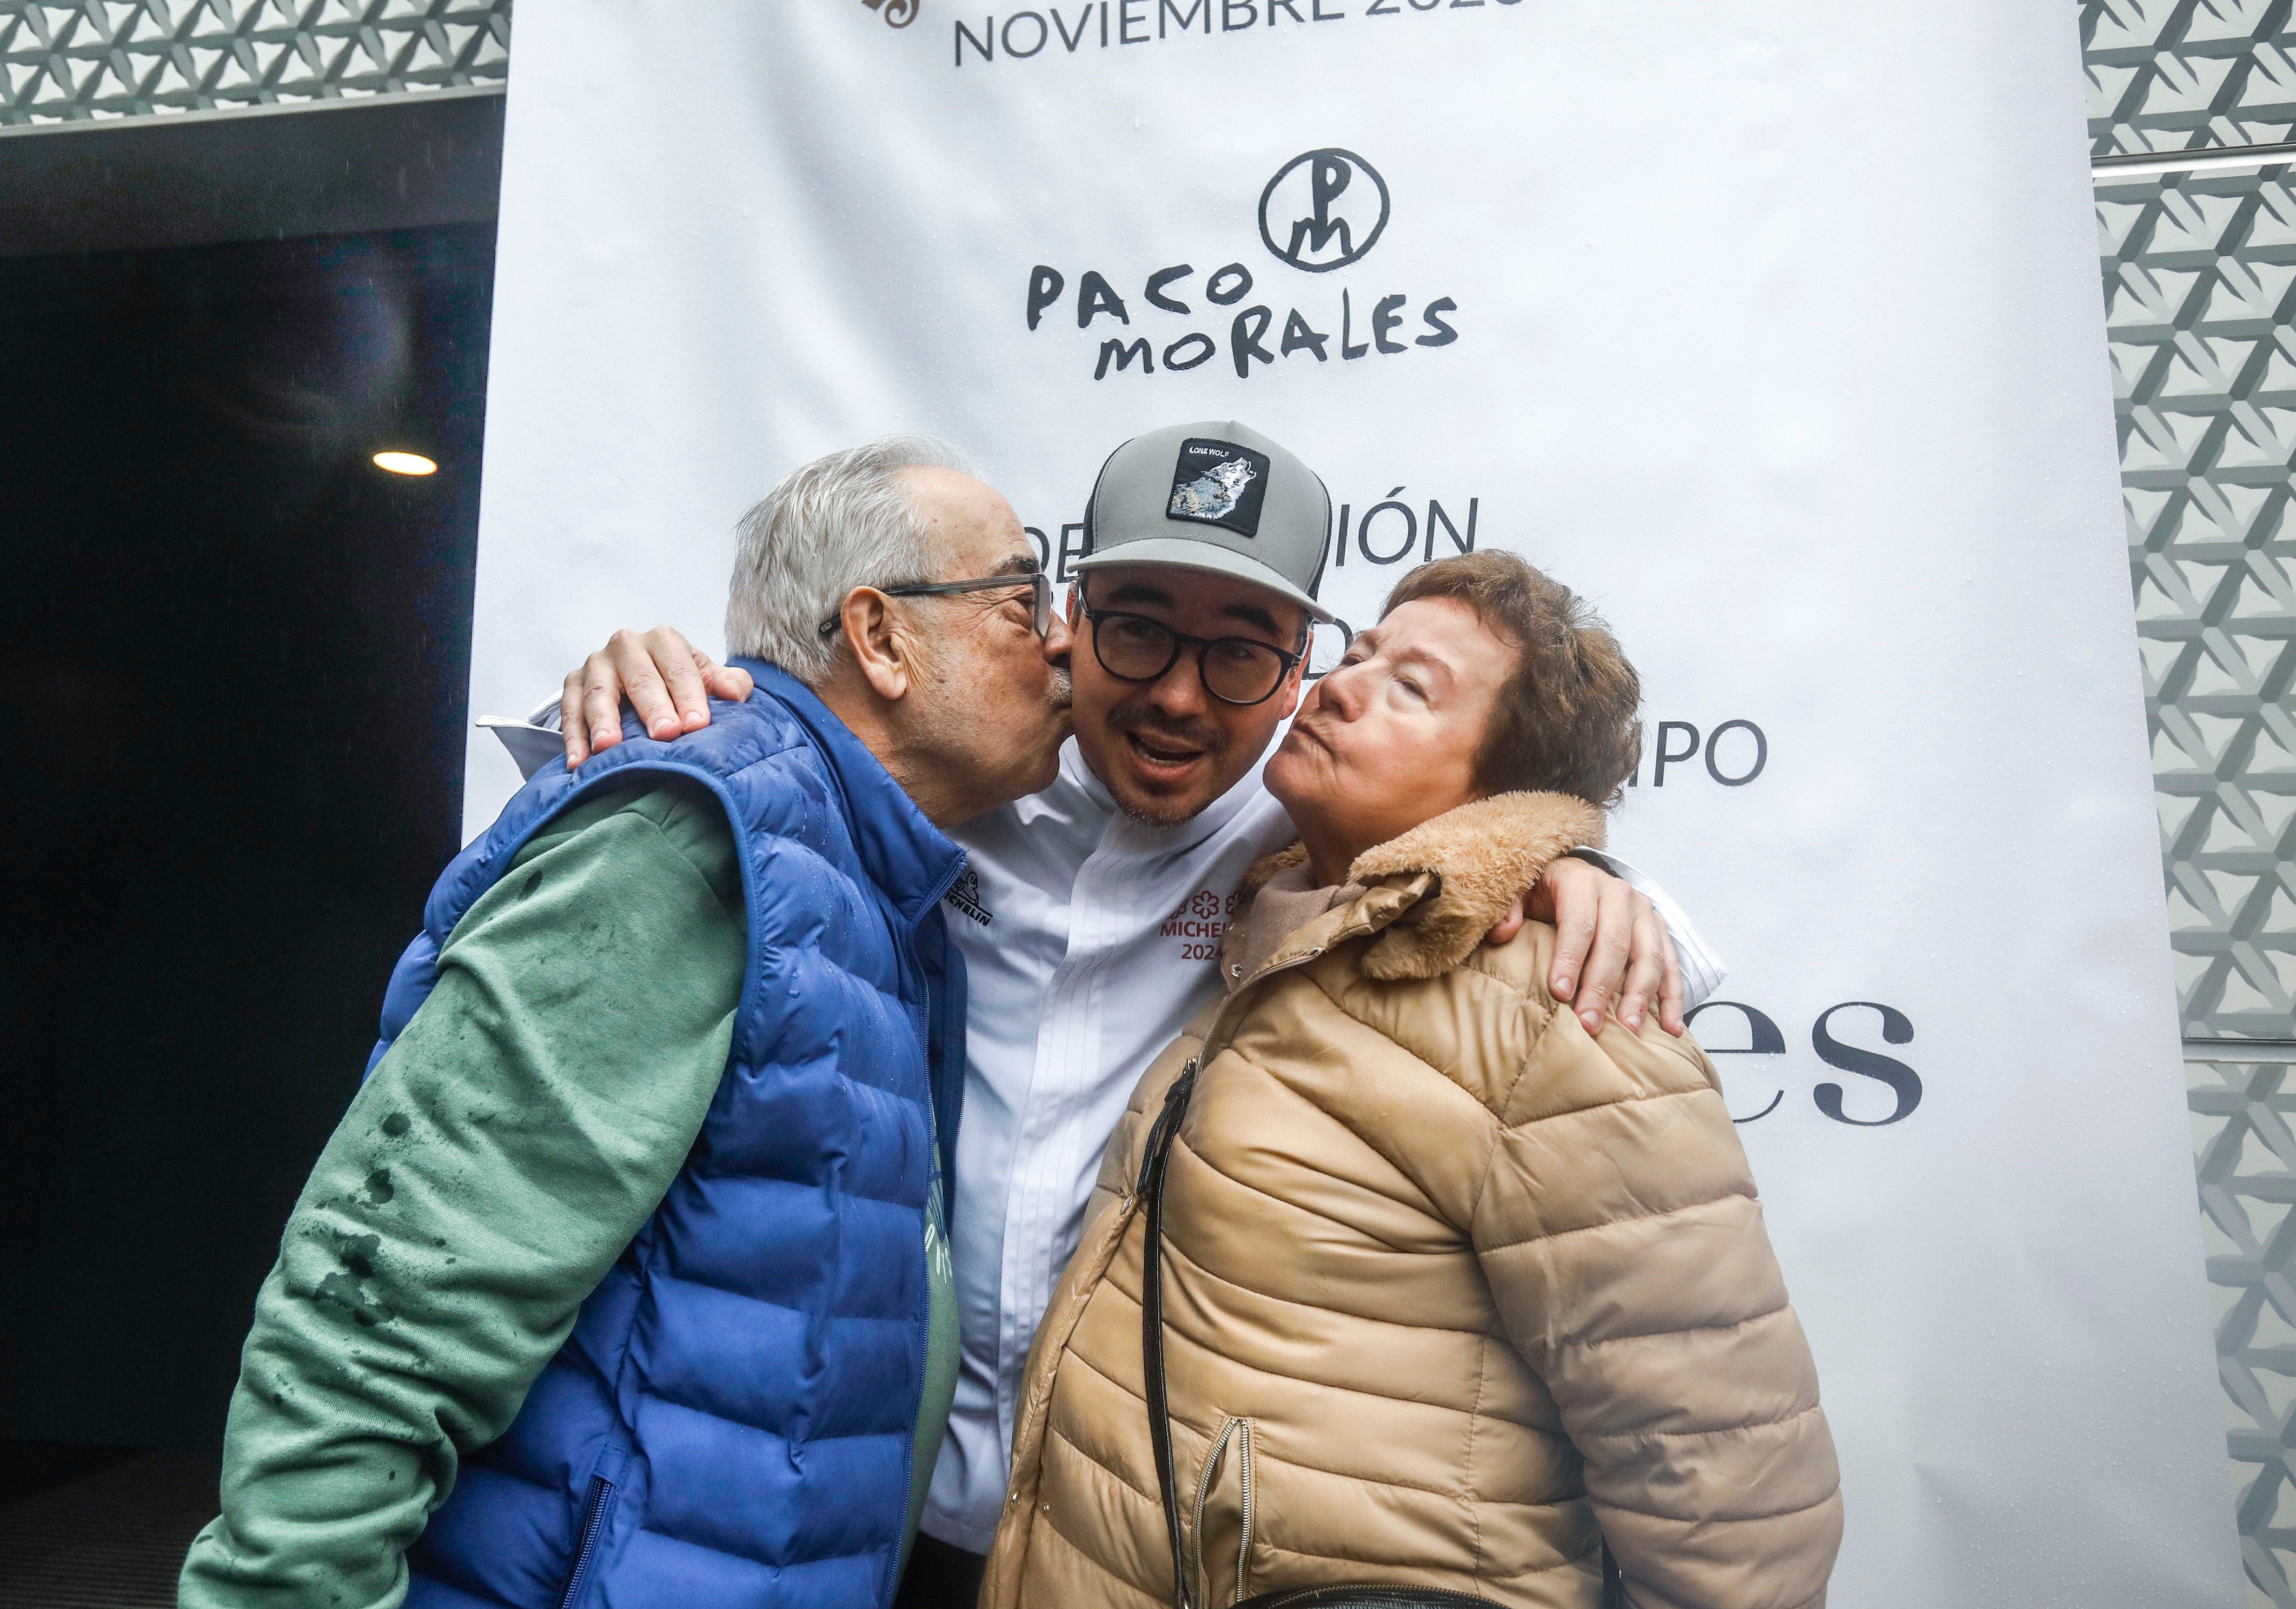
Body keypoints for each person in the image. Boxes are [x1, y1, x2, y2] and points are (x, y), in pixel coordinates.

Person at [543, 422, 1728, 1607]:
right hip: (868, 1509)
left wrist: (1573, 866)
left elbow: (1509, 906)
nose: (1177, 695)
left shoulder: (1301, 843)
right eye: (1140, 628)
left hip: (1106, 1542)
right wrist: (652, 680)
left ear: (1298, 675)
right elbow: (743, 775)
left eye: (1240, 655)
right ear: (1065, 617)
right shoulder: (951, 772)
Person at [178, 437, 1073, 1609]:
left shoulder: (862, 876)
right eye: (1022, 599)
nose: (1059, 639)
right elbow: (386, 1299)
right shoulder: (688, 838)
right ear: (882, 635)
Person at [983, 551, 1840, 1609]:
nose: (1343, 684)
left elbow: (1730, 1484)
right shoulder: (1282, 943)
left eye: (1411, 687)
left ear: (1501, 789)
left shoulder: (1561, 1011)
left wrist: (1578, 864)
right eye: (1362, 652)